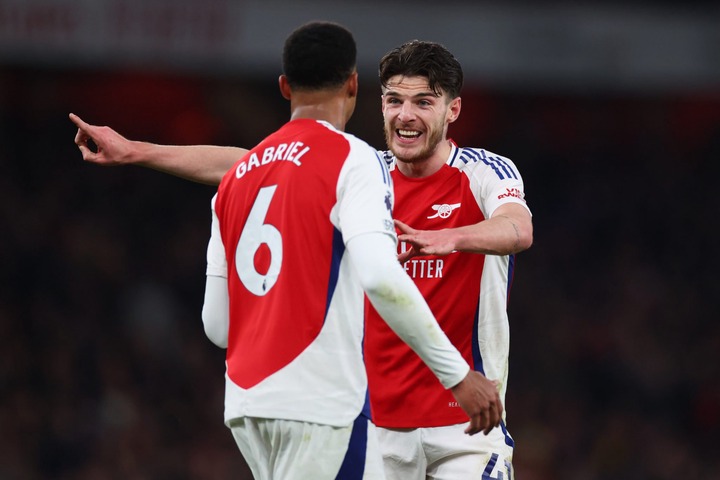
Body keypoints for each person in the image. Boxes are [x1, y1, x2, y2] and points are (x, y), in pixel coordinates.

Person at [71, 39, 532, 479]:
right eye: (394, 101)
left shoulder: (483, 171)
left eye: (423, 102)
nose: (405, 116)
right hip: (377, 425)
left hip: (466, 420)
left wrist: (451, 238)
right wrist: (136, 151)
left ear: (453, 109)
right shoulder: (366, 174)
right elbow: (249, 163)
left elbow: (517, 228)